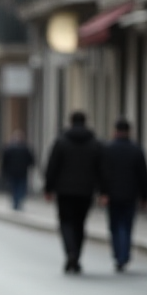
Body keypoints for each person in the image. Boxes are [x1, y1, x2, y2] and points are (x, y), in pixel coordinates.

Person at [43, 111, 103, 274]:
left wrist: (48, 188)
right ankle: (76, 256)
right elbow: (101, 169)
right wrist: (103, 190)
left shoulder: (61, 142)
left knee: (66, 223)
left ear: (70, 122)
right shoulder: (95, 143)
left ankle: (70, 252)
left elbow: (52, 166)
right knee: (80, 224)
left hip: (64, 191)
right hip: (86, 190)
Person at [98, 119, 147, 272]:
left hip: (112, 195)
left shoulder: (108, 149)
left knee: (115, 226)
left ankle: (118, 255)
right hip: (130, 195)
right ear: (129, 131)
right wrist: (144, 196)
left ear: (115, 131)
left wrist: (103, 193)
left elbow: (103, 174)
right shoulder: (136, 150)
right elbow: (144, 175)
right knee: (127, 226)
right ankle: (125, 254)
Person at [1, 129, 35, 211]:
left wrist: (4, 170)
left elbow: (5, 160)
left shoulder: (9, 148)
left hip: (12, 172)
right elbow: (31, 160)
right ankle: (18, 201)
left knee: (14, 187)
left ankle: (15, 202)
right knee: (20, 187)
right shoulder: (25, 148)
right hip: (22, 171)